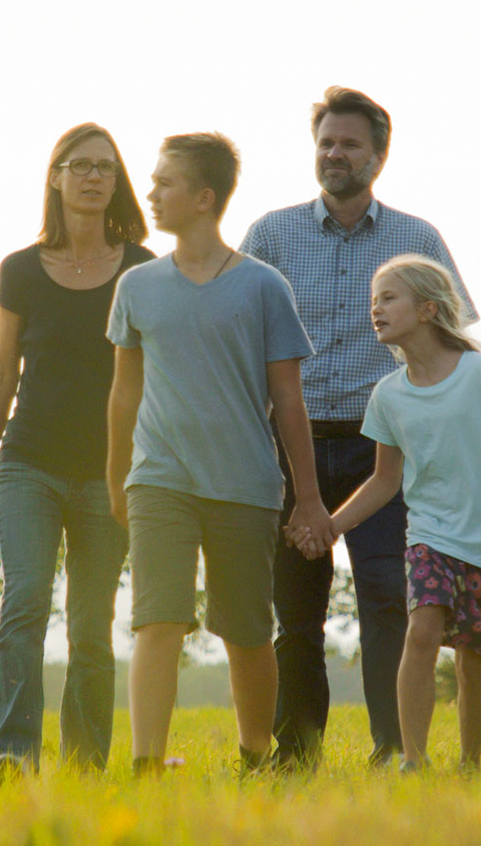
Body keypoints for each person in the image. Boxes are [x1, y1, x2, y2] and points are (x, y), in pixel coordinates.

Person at [239, 86, 477, 769]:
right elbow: (241, 340)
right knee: (296, 615)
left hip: (389, 452)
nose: (334, 154)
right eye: (325, 143)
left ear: (379, 154)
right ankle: (296, 753)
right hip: (291, 448)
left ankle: (393, 747)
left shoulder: (417, 239)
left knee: (388, 602)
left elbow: (453, 345)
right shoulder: (270, 235)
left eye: (348, 143)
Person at [106, 131, 332, 776]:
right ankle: (146, 765)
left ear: (204, 198)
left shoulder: (264, 287)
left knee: (245, 631)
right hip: (160, 480)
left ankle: (254, 757)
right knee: (158, 620)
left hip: (245, 484)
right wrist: (117, 476)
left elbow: (289, 401)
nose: (150, 193)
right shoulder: (137, 286)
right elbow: (125, 394)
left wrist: (308, 497)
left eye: (164, 183)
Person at [292, 254, 481, 773]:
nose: (375, 309)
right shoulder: (388, 396)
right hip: (428, 536)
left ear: (427, 309)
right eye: (373, 300)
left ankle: (470, 764)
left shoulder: (479, 372)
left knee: (475, 660)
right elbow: (384, 481)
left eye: (388, 298)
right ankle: (414, 763)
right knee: (421, 631)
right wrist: (333, 526)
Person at [0, 122, 155, 778]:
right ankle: (14, 754)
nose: (94, 175)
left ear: (117, 179)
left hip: (110, 471)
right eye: (80, 165)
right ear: (56, 176)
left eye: (105, 165)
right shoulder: (20, 269)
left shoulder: (141, 267)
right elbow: (1, 373)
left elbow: (156, 373)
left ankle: (84, 764)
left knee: (92, 625)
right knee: (24, 604)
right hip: (29, 462)